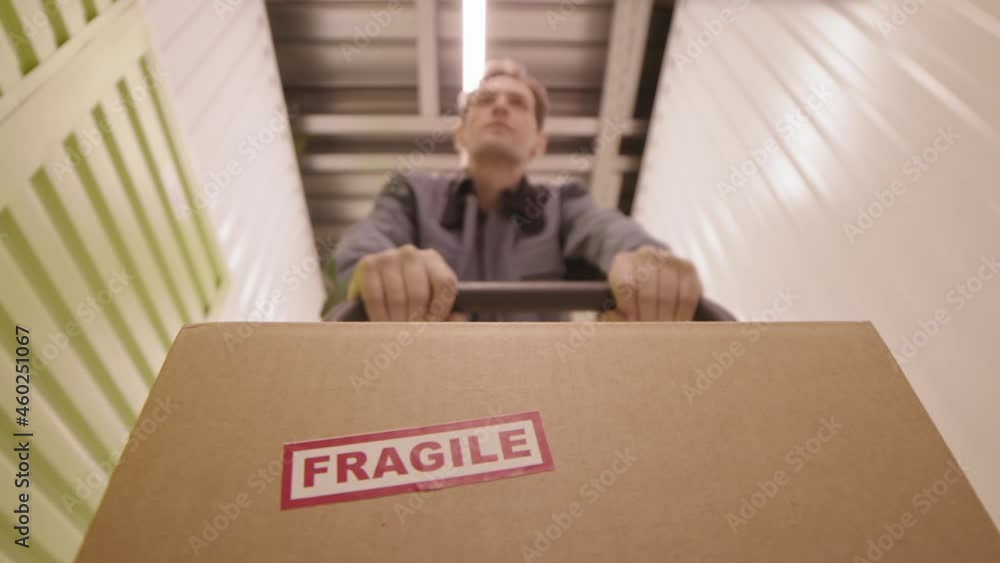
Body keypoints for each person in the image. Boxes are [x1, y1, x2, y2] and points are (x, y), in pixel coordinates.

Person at [332, 59, 702, 322]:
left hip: (542, 396)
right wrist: (377, 272)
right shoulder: (412, 193)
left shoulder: (563, 204)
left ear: (539, 143)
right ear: (461, 133)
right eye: (486, 101)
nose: (501, 108)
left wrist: (643, 259)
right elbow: (364, 248)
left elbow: (607, 231)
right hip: (427, 391)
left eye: (518, 103)